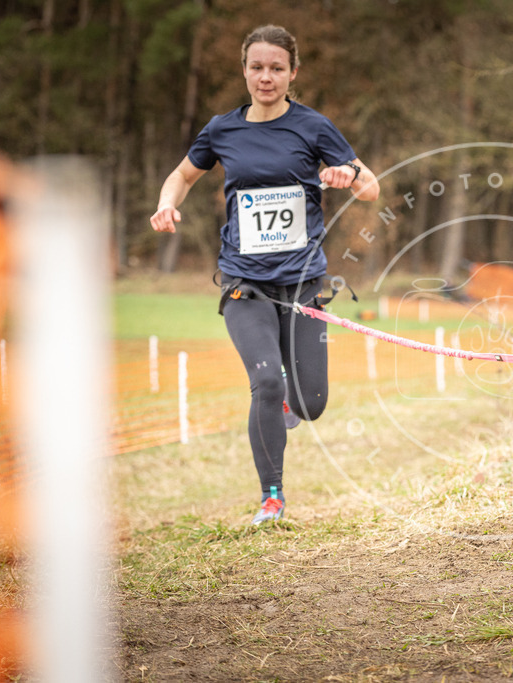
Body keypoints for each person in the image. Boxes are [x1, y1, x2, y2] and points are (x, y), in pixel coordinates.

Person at [150, 24, 380, 524]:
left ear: (292, 73)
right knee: (267, 385)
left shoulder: (314, 127)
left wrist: (348, 177)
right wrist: (167, 204)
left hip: (302, 285)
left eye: (277, 68)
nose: (266, 77)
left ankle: (289, 409)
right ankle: (271, 498)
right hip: (243, 282)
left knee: (311, 403)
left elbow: (372, 189)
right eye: (257, 67)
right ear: (245, 70)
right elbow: (183, 174)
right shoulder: (221, 129)